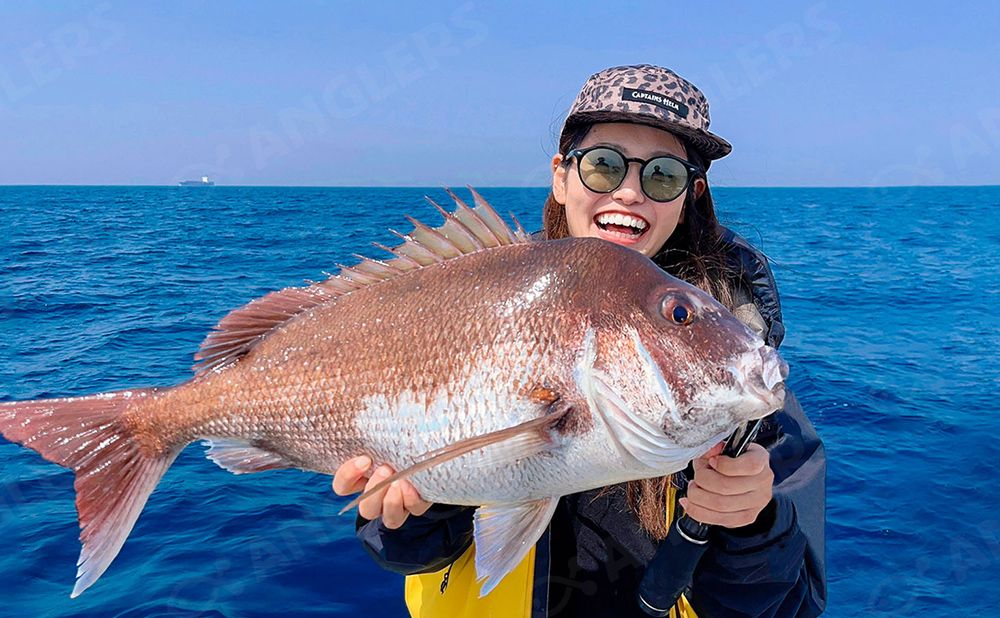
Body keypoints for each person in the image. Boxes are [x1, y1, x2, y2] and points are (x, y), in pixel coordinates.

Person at [333, 65, 826, 617]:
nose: (631, 191)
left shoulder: (736, 390)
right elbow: (402, 550)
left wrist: (753, 523)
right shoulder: (471, 297)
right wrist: (422, 509)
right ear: (561, 177)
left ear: (690, 194)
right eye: (604, 166)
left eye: (663, 176)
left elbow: (792, 607)